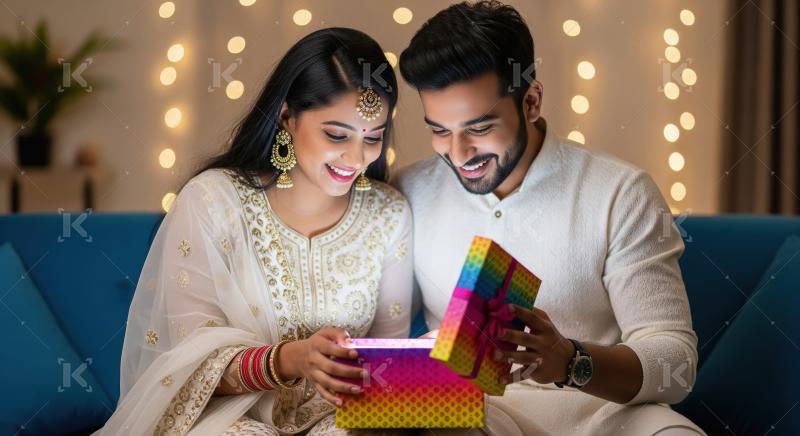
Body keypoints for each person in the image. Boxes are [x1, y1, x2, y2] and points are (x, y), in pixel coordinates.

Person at [395, 2, 705, 435]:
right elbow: (378, 344)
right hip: (471, 417)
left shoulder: (621, 192)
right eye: (440, 130)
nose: (459, 154)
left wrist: (569, 360)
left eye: (480, 128)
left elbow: (676, 363)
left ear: (532, 101)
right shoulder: (408, 190)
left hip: (604, 412)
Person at [95, 28, 414, 435]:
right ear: (287, 117)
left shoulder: (389, 213)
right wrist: (290, 360)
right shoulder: (213, 202)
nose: (356, 158)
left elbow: (389, 362)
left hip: (340, 421)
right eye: (336, 134)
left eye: (373, 137)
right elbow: (188, 367)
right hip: (227, 418)